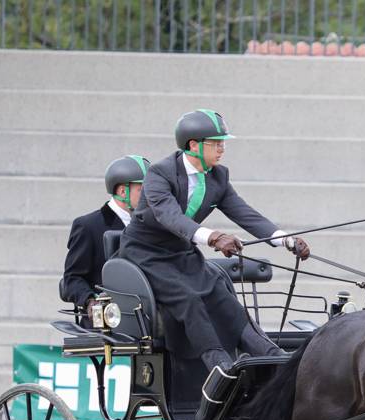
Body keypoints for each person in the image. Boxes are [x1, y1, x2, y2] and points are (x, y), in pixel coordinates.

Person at [118, 109, 309, 378]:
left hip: (181, 252)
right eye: (216, 143)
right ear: (194, 145)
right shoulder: (159, 174)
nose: (222, 149)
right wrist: (214, 237)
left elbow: (244, 213)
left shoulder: (218, 177)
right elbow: (169, 216)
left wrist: (285, 240)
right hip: (146, 254)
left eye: (223, 143)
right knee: (189, 298)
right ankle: (220, 366)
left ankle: (272, 356)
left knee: (221, 294)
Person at [61, 155, 150, 321]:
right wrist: (90, 301)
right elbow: (72, 279)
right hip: (108, 318)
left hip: (146, 315)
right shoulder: (88, 226)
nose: (149, 196)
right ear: (123, 191)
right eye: (142, 190)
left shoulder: (151, 225)